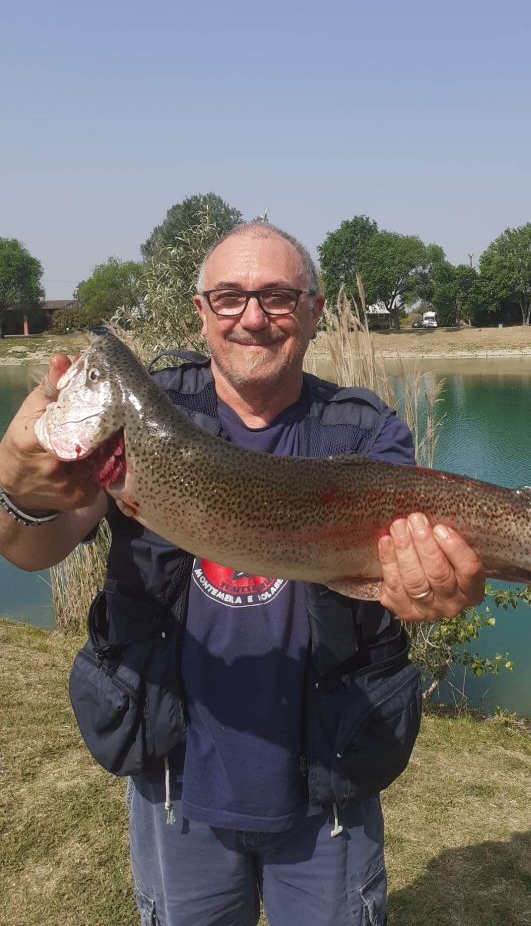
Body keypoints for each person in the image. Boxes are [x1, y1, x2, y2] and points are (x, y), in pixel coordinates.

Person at [0, 222, 486, 926]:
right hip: (176, 777)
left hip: (328, 784)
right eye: (228, 297)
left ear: (315, 312)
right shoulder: (148, 417)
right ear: (200, 312)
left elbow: (408, 578)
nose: (252, 318)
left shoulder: (367, 432)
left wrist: (430, 590)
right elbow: (28, 549)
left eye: (278, 297)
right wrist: (18, 488)